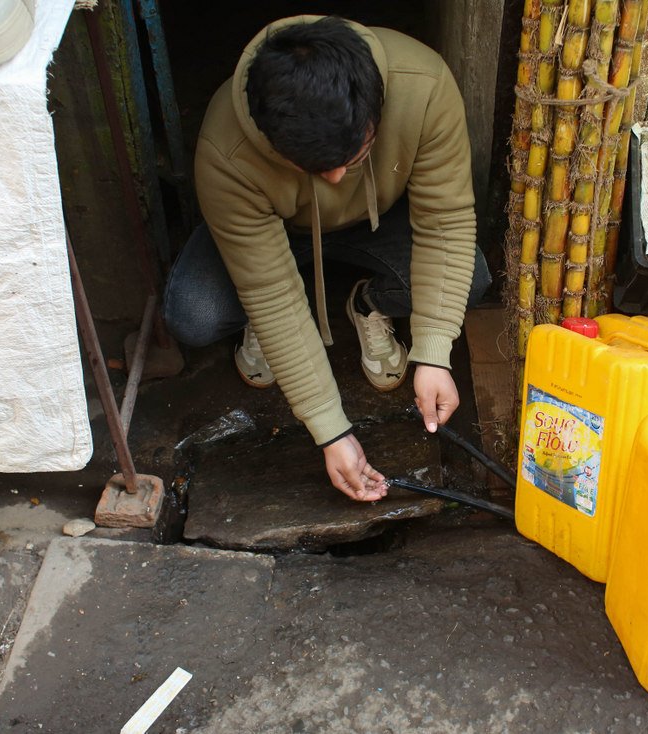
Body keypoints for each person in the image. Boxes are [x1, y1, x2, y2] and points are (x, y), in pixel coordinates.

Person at [163, 16, 491, 502]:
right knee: (193, 314)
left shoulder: (423, 86)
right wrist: (331, 430)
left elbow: (445, 223)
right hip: (276, 235)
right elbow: (270, 293)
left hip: (379, 222)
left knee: (472, 280)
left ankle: (367, 299)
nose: (336, 180)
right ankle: (273, 332)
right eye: (313, 168)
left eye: (354, 159)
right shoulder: (225, 149)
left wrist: (434, 350)